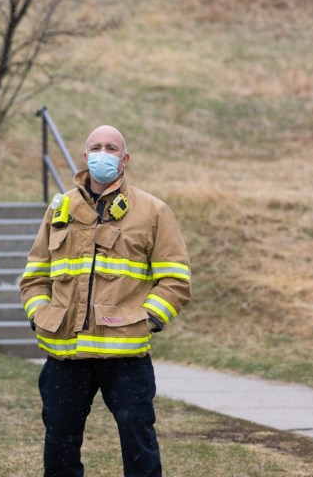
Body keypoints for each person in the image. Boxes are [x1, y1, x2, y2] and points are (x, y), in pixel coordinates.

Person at [20, 124, 191, 477]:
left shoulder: (153, 211)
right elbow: (34, 275)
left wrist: (150, 319)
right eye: (95, 147)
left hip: (125, 354)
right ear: (85, 156)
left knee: (138, 441)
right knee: (60, 442)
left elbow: (176, 279)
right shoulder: (60, 208)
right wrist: (39, 314)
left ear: (124, 158)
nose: (102, 153)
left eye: (111, 148)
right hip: (66, 352)